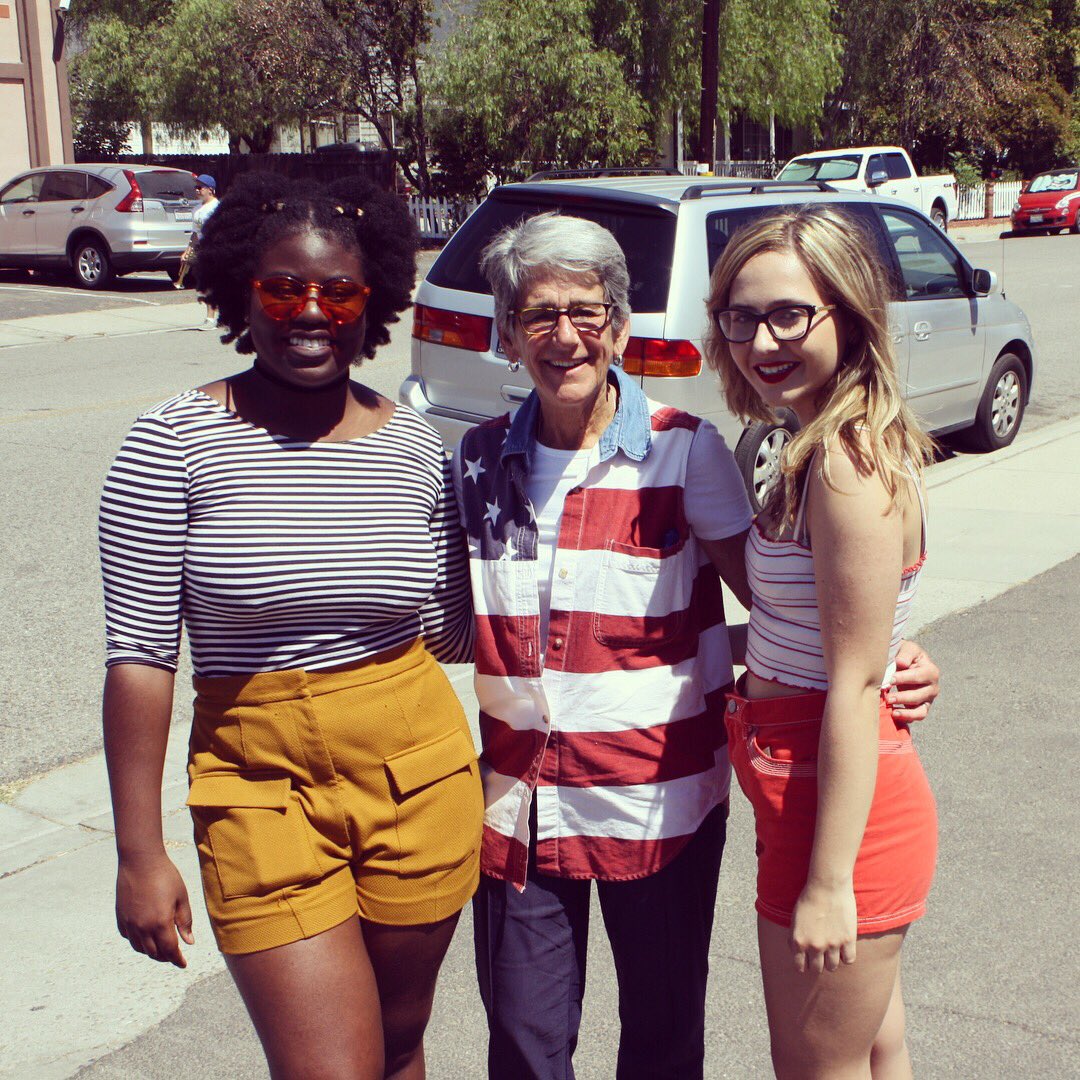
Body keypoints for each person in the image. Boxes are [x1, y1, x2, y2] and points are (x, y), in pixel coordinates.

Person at [451, 211, 940, 1080]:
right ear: (507, 334)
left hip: (662, 804)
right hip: (522, 808)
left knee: (671, 1041)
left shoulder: (695, 452)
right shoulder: (479, 463)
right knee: (525, 1050)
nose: (564, 336)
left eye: (587, 311)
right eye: (537, 315)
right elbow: (799, 624)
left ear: (620, 326)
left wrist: (879, 664)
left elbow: (810, 619)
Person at [99, 173, 483, 1080]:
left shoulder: (414, 447)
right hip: (256, 783)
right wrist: (139, 852)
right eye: (282, 289)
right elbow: (140, 657)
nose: (311, 312)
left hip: (416, 769)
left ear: (372, 302)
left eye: (338, 292)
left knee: (398, 1044)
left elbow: (454, 631)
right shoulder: (171, 443)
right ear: (240, 293)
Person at [704, 205, 939, 1079]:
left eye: (789, 315)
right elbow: (812, 632)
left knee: (815, 1067)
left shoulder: (845, 462)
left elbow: (852, 683)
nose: (761, 341)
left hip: (836, 807)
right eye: (741, 317)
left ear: (850, 312)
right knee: (875, 1049)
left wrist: (830, 881)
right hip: (808, 782)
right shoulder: (805, 441)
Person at [176, 173, 219, 325]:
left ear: (210, 190)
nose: (197, 190)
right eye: (196, 187)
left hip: (215, 250)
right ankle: (211, 317)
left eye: (200, 187)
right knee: (206, 284)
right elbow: (195, 233)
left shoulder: (217, 208)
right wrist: (188, 250)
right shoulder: (196, 209)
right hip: (202, 251)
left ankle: (212, 318)